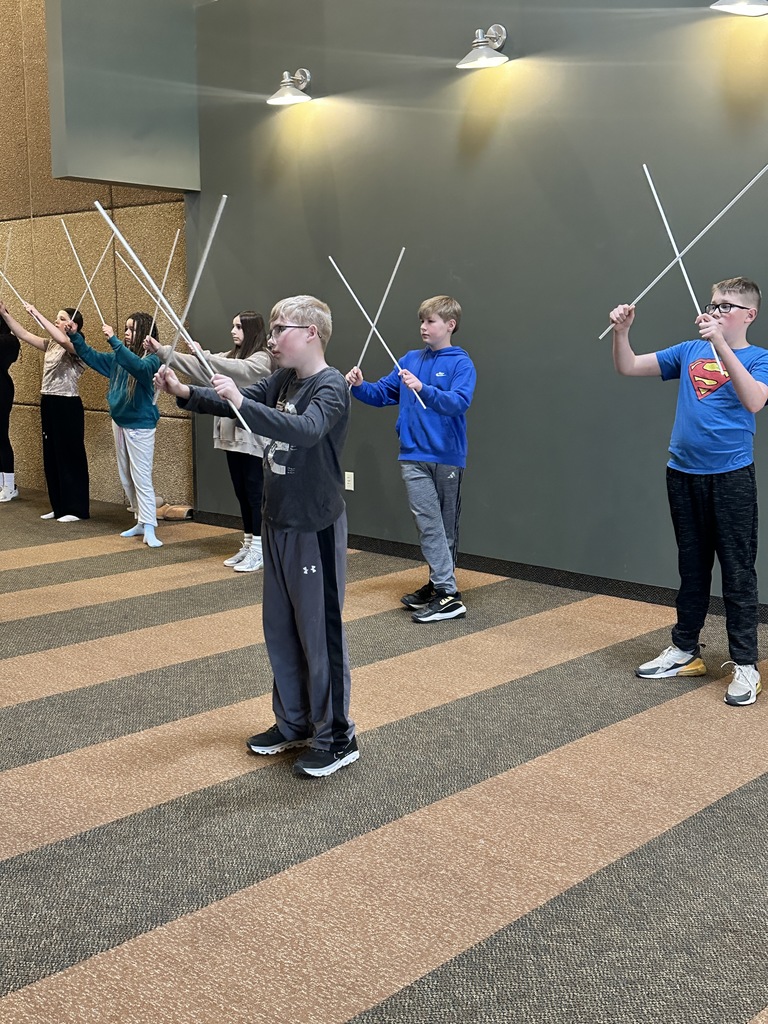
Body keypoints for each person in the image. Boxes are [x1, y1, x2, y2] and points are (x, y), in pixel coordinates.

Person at [155, 295, 358, 778]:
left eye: (280, 328)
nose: (270, 337)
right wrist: (185, 392)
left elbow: (305, 430)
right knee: (281, 631)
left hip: (315, 526)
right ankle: (294, 723)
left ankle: (337, 736)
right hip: (278, 521)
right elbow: (234, 403)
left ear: (311, 332)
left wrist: (242, 400)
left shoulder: (329, 387)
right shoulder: (283, 380)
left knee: (319, 633)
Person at [610, 276, 768, 707]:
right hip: (682, 473)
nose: (715, 312)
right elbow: (628, 366)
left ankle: (746, 665)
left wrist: (721, 346)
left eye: (726, 307)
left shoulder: (759, 358)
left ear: (749, 315)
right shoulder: (689, 350)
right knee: (691, 568)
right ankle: (684, 651)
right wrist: (622, 332)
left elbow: (754, 400)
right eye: (713, 304)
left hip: (731, 476)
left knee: (737, 571)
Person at [345, 295, 476, 623]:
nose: (423, 327)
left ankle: (445, 591)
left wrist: (424, 389)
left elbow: (459, 402)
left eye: (430, 321)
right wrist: (360, 386)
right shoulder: (408, 360)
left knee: (442, 527)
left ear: (450, 324)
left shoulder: (461, 363)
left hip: (446, 456)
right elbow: (381, 394)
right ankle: (443, 589)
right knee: (428, 522)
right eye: (421, 321)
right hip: (413, 454)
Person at [147, 310, 274, 572]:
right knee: (241, 492)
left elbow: (232, 370)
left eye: (239, 326)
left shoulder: (262, 360)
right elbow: (203, 367)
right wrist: (164, 352)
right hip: (233, 437)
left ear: (252, 330)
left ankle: (261, 549)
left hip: (253, 438)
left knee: (254, 493)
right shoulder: (230, 356)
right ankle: (249, 544)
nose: (233, 330)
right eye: (232, 325)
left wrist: (203, 357)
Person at [63, 310, 164, 548]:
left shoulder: (152, 359)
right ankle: (140, 519)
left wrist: (114, 341)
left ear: (144, 334)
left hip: (140, 425)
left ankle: (150, 526)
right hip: (119, 421)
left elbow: (138, 368)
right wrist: (77, 338)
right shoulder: (119, 357)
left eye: (131, 330)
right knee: (127, 476)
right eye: (125, 329)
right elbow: (91, 356)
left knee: (141, 477)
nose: (127, 333)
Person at [0, 300, 89, 521]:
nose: (57, 322)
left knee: (70, 454)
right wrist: (4, 314)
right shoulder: (52, 344)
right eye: (57, 318)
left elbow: (62, 338)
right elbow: (24, 334)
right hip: (49, 401)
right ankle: (59, 505)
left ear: (74, 326)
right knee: (52, 454)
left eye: (61, 319)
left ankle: (75, 508)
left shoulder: (77, 345)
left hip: (67, 403)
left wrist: (37, 314)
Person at [0, 315, 20, 502]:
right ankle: (1, 483)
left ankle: (9, 485)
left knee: (2, 436)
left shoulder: (8, 340)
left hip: (2, 388)